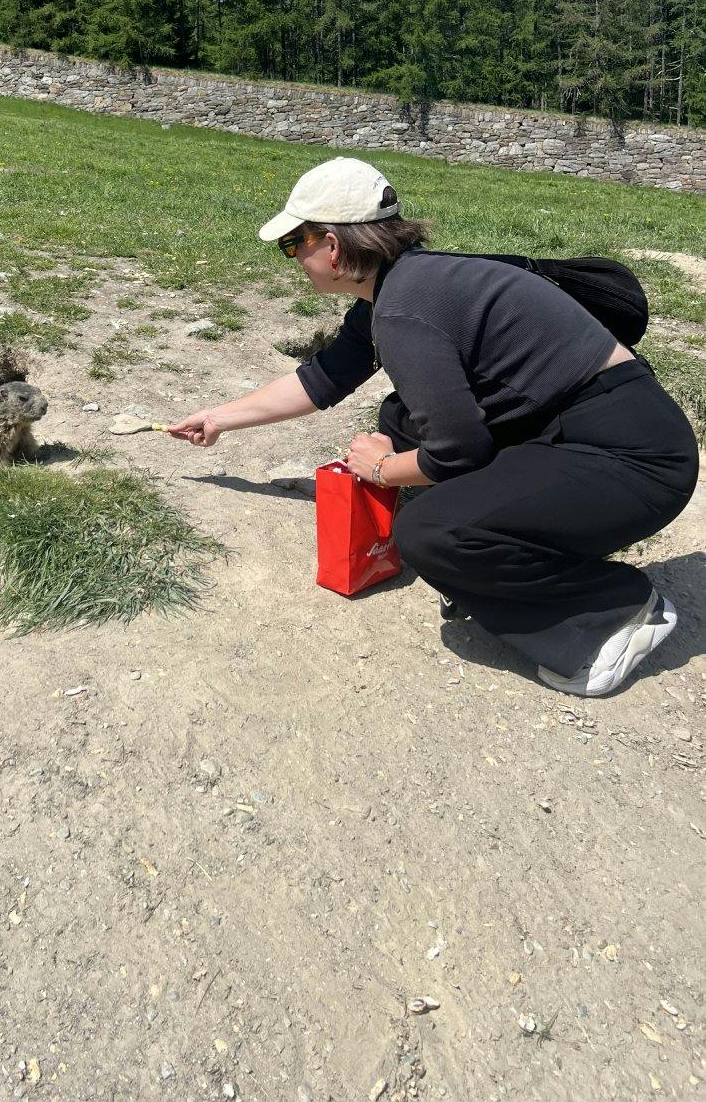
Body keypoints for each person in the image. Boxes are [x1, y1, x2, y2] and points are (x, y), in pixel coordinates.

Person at [168, 156, 699, 697]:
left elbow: (456, 453)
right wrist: (219, 418)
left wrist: (381, 468)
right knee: (402, 421)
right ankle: (504, 557)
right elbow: (322, 379)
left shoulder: (404, 310)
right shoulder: (405, 281)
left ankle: (614, 611)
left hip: (636, 462)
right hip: (583, 428)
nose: (293, 259)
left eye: (293, 244)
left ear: (331, 245)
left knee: (432, 533)